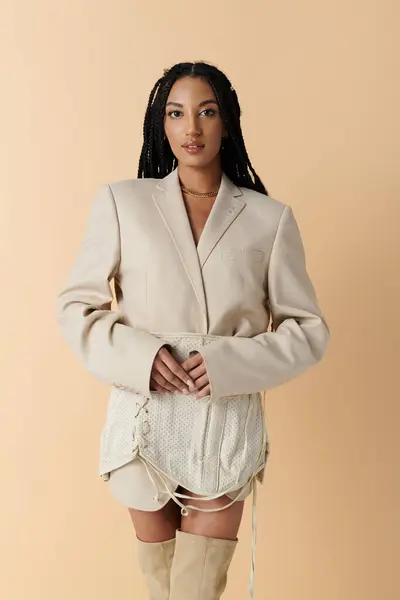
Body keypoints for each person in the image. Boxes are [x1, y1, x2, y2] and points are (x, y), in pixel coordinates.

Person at [56, 61, 330, 600]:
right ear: (162, 125)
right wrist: (143, 356)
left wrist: (231, 365)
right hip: (144, 418)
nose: (193, 128)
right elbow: (75, 308)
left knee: (196, 590)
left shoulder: (269, 219)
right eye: (176, 114)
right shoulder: (122, 203)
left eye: (207, 112)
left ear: (227, 122)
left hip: (224, 419)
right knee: (162, 589)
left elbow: (309, 330)